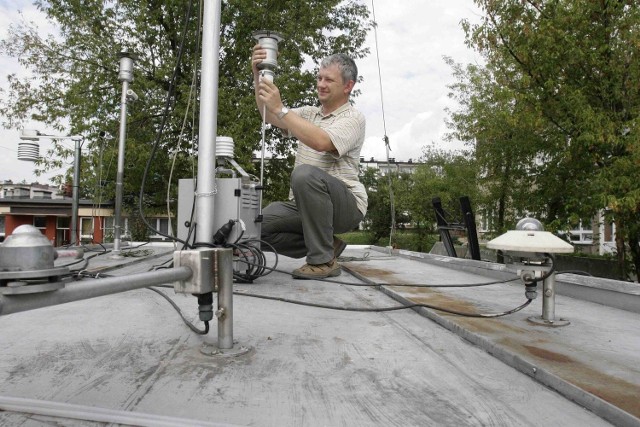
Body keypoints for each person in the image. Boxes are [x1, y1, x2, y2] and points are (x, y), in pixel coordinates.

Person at [252, 45, 367, 279]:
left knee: (305, 174)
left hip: (345, 206)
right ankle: (327, 244)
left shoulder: (353, 118)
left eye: (329, 80)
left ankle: (323, 261)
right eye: (319, 78)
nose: (321, 84)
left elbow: (322, 142)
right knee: (252, 229)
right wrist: (258, 74)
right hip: (303, 205)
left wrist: (281, 108)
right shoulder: (308, 114)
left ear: (348, 86)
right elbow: (268, 114)